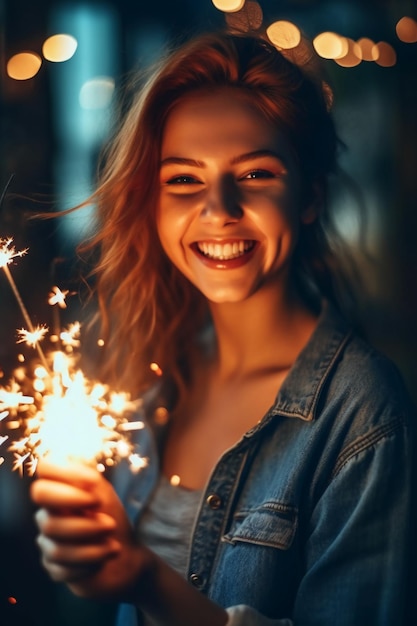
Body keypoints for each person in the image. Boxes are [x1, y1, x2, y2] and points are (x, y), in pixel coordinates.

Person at [30, 30, 416, 626]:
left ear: (309, 195)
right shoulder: (150, 371)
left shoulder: (364, 415)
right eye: (183, 179)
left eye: (256, 174)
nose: (218, 209)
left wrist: (146, 581)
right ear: (151, 203)